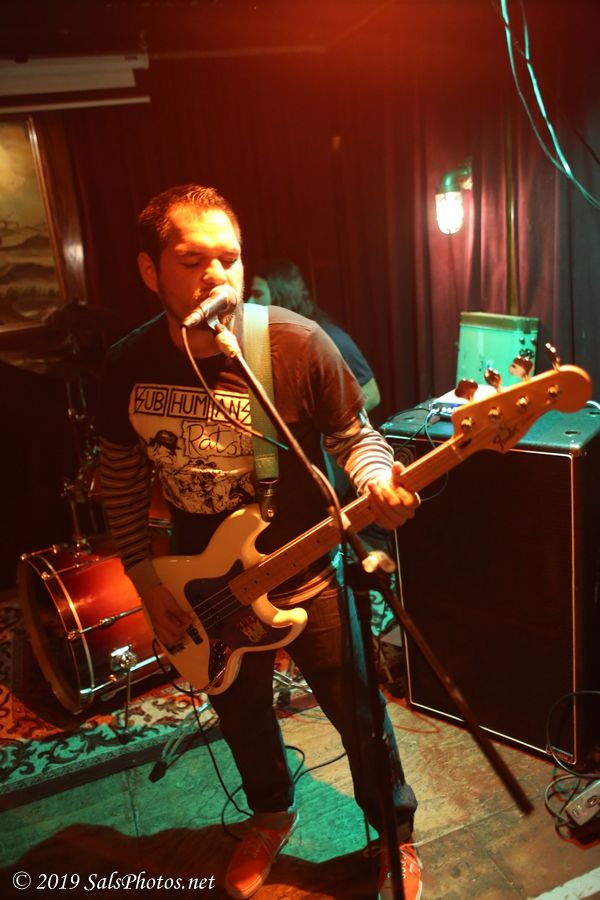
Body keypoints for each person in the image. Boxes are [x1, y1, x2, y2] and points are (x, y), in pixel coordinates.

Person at [97, 184, 422, 900]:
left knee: (359, 714)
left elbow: (356, 437)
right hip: (201, 585)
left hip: (308, 572)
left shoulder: (296, 344)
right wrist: (148, 584)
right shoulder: (126, 365)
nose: (216, 275)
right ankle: (271, 815)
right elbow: (119, 482)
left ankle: (393, 837)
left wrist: (377, 479)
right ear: (150, 270)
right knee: (241, 716)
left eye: (229, 258)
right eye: (192, 261)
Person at [248, 258, 381, 414]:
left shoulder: (328, 336)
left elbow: (371, 394)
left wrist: (331, 426)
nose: (250, 302)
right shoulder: (268, 340)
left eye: (257, 294)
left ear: (282, 294)